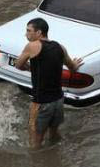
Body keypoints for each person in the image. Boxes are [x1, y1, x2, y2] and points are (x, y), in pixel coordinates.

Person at [14, 18, 83, 150]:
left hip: (41, 102)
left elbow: (18, 64)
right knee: (54, 134)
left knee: (35, 139)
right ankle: (55, 158)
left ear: (39, 32)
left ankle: (38, 166)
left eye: (29, 31)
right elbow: (72, 67)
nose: (26, 34)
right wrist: (76, 63)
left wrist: (30, 68)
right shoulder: (60, 47)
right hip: (58, 100)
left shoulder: (32, 46)